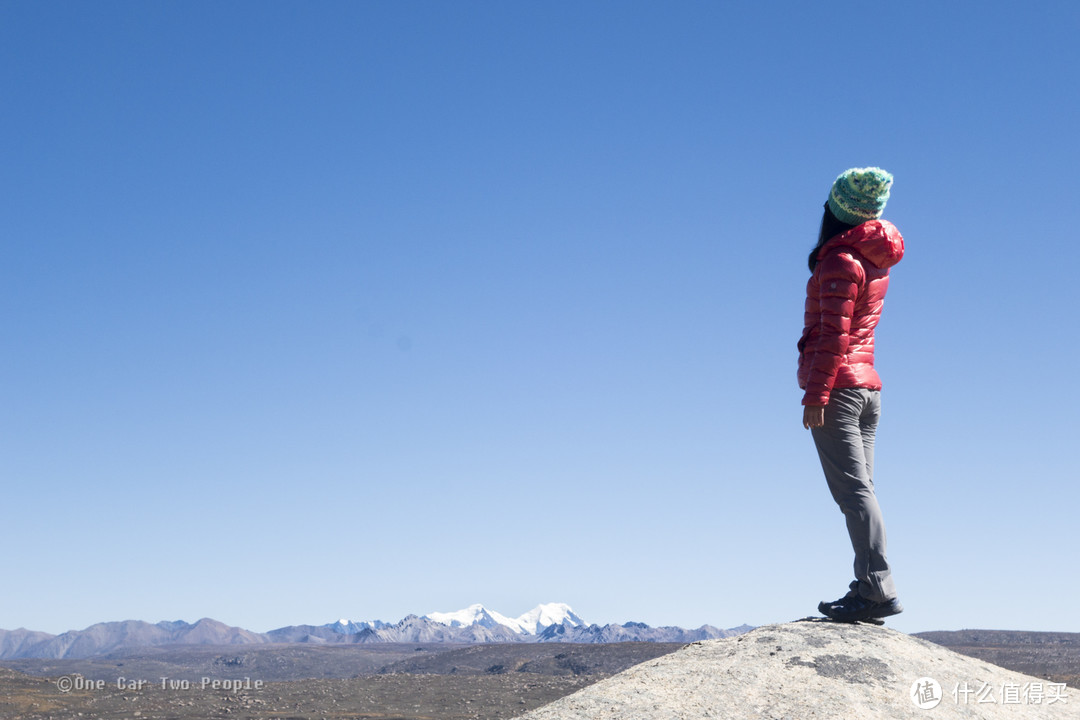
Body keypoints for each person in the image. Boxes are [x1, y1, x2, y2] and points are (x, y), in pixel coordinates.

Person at [797, 167, 905, 623]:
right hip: (866, 388)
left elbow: (833, 335)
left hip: (840, 387)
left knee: (854, 492)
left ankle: (877, 589)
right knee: (862, 491)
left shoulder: (841, 260)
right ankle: (867, 586)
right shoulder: (873, 258)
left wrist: (816, 394)